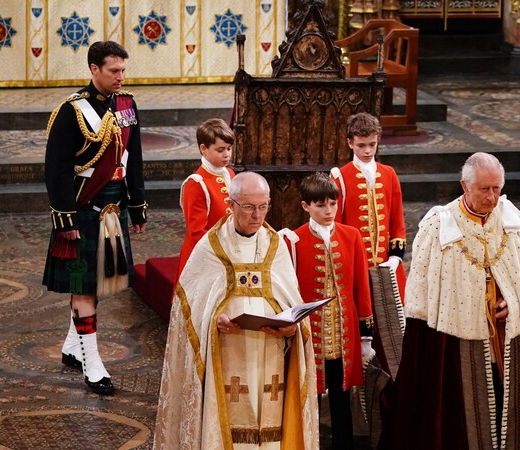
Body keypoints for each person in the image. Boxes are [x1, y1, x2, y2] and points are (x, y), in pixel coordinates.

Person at [379, 153, 520, 450]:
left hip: (507, 343)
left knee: (509, 406)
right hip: (456, 347)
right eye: (484, 189)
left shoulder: (513, 222)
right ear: (465, 185)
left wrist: (512, 302)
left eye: (497, 188)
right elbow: (424, 298)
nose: (492, 197)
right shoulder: (439, 227)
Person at [154, 172, 319, 449]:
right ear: (231, 204)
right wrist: (212, 320)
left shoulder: (275, 246)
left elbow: (291, 300)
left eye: (264, 206)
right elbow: (188, 306)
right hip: (227, 354)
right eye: (249, 207)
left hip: (271, 358)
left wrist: (294, 328)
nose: (258, 215)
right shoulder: (211, 246)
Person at [43, 40, 147, 395]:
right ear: (94, 69)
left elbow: (134, 158)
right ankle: (93, 365)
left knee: (94, 285)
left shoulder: (127, 105)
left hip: (114, 210)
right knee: (84, 287)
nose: (120, 77)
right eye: (113, 71)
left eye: (123, 70)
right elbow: (56, 171)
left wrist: (137, 206)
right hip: (82, 211)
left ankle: (73, 346)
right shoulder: (71, 112)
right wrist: (65, 222)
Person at [280, 172, 374, 450]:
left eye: (332, 203)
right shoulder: (293, 242)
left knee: (342, 397)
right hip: (312, 337)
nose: (329, 211)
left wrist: (366, 335)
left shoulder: (352, 236)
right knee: (312, 394)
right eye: (321, 205)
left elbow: (361, 286)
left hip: (344, 337)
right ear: (306, 206)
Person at [331, 112, 406, 299]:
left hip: (386, 263)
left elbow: (397, 220)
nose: (367, 151)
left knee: (390, 322)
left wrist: (395, 258)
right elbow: (336, 225)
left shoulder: (389, 174)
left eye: (372, 145)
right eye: (361, 146)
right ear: (350, 143)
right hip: (355, 264)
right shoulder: (339, 177)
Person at [177, 118, 236, 276]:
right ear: (203, 148)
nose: (226, 154)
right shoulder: (196, 183)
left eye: (229, 149)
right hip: (205, 257)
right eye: (220, 150)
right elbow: (197, 232)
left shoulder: (229, 174)